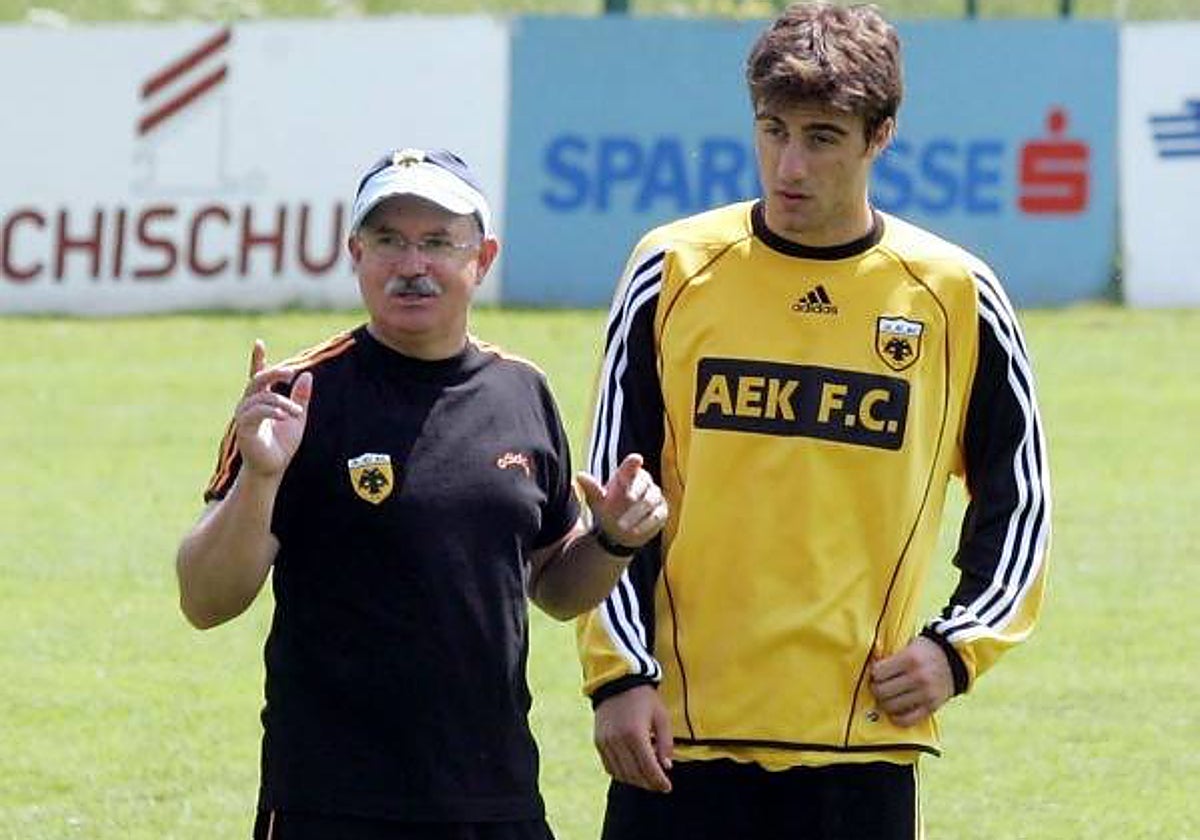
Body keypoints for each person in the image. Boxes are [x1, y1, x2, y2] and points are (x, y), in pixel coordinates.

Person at [575, 4, 1051, 838]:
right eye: (773, 130)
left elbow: (1020, 502)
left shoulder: (954, 295)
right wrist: (620, 678)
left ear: (881, 136)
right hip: (678, 732)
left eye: (823, 136)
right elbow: (614, 494)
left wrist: (957, 646)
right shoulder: (672, 269)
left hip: (859, 742)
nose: (789, 165)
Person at [176, 147, 668, 840]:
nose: (412, 264)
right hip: (332, 802)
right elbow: (205, 600)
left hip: (496, 799)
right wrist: (260, 479)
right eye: (388, 241)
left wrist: (614, 538)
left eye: (438, 242)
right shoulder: (294, 398)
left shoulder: (520, 391)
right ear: (355, 253)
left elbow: (554, 588)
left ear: (483, 257)